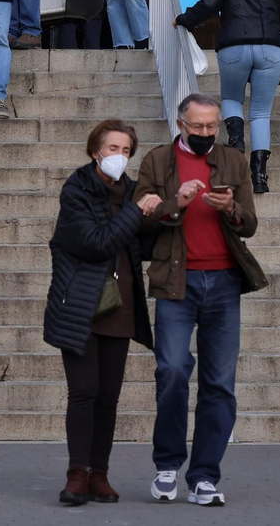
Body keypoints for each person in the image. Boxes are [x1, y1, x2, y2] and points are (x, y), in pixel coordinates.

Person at [134, 94, 267, 507]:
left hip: (224, 282)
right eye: (198, 127)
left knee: (219, 383)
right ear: (180, 124)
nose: (207, 134)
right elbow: (141, 215)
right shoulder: (157, 161)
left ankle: (205, 476)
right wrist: (178, 203)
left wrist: (231, 210)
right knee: (172, 370)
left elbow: (250, 224)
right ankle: (167, 466)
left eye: (213, 127)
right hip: (177, 280)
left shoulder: (233, 160)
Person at [44, 120, 163, 506]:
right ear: (95, 150)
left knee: (108, 396)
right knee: (84, 392)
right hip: (79, 305)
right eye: (113, 148)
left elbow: (139, 245)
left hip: (120, 304)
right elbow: (97, 243)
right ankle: (77, 473)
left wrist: (159, 215)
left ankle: (100, 473)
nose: (120, 157)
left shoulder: (132, 192)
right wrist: (136, 212)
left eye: (127, 150)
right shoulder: (76, 191)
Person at [174, 0, 280, 194]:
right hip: (271, 50)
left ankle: (237, 142)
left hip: (234, 47)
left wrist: (184, 20)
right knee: (261, 113)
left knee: (231, 99)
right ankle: (260, 178)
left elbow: (208, 3)